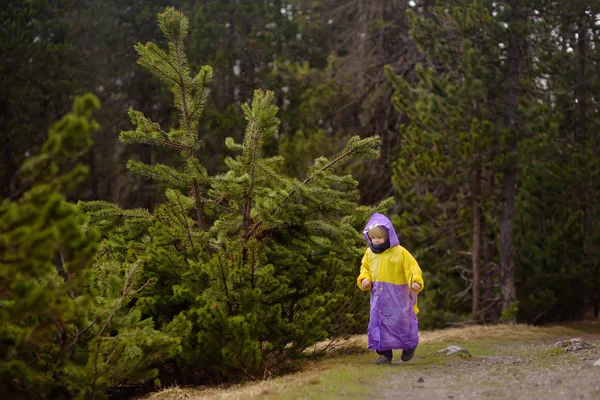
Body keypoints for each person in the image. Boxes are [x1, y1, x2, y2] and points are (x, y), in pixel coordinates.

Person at [357, 213, 424, 364]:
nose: (376, 241)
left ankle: (409, 345)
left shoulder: (400, 252)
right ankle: (385, 354)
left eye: (379, 237)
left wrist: (416, 281)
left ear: (388, 236)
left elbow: (412, 268)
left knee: (401, 320)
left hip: (398, 295)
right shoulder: (369, 253)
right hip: (379, 296)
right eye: (373, 238)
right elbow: (365, 268)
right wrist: (365, 279)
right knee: (379, 322)